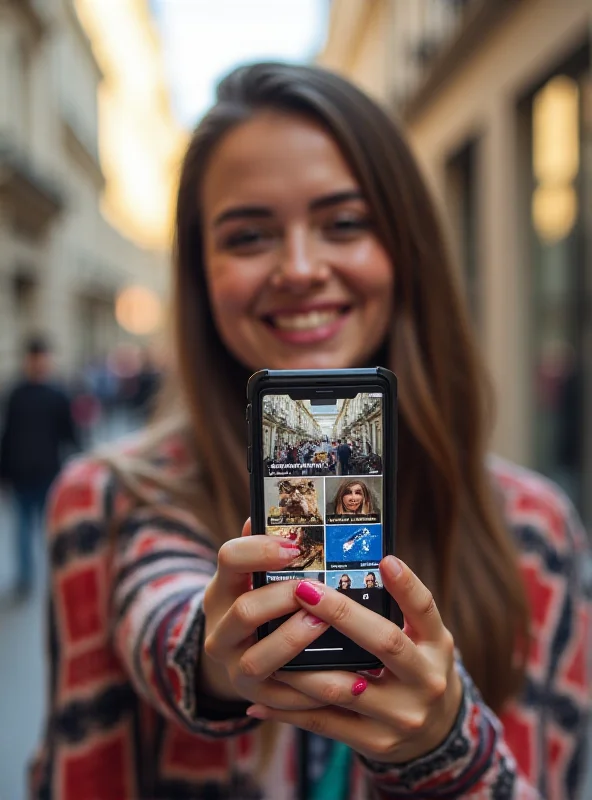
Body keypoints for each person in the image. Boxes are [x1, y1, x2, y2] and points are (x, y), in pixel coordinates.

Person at [30, 63, 591, 800]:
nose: (299, 268)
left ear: (406, 248)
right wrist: (210, 659)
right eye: (250, 234)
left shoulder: (534, 529)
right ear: (201, 272)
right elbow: (156, 598)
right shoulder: (106, 497)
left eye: (345, 223)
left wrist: (444, 749)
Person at [0, 336, 79, 597]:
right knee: (23, 529)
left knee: (50, 530)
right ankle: (26, 577)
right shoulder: (15, 393)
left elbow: (70, 435)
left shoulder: (57, 394)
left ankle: (55, 577)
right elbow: (8, 435)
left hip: (48, 473)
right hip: (22, 473)